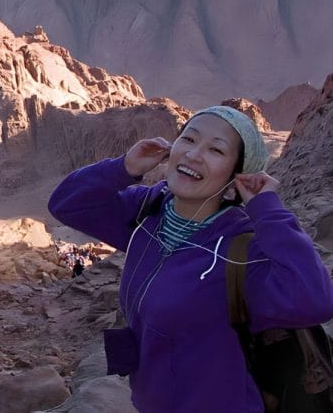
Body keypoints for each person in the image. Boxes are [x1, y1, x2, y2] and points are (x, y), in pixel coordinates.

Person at [48, 106, 333, 412]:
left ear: (236, 176)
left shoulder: (240, 249)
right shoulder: (149, 211)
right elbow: (67, 203)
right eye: (188, 139)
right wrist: (124, 168)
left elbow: (315, 300)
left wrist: (267, 209)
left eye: (215, 150)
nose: (194, 155)